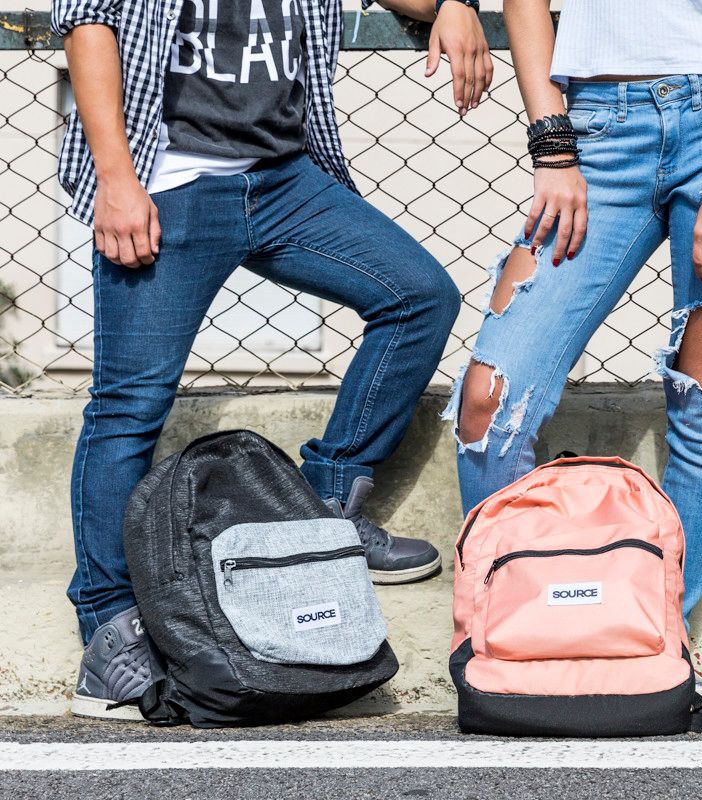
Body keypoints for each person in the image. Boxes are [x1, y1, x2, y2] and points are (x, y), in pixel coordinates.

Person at [55, 0, 491, 719]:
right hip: (167, 180)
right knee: (129, 405)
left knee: (418, 297)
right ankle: (108, 630)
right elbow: (89, 21)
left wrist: (451, 5)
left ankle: (324, 508)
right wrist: (116, 178)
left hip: (282, 177)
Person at [444, 0, 702, 708]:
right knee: (489, 401)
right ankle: (506, 639)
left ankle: (659, 646)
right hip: (595, 131)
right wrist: (553, 149)